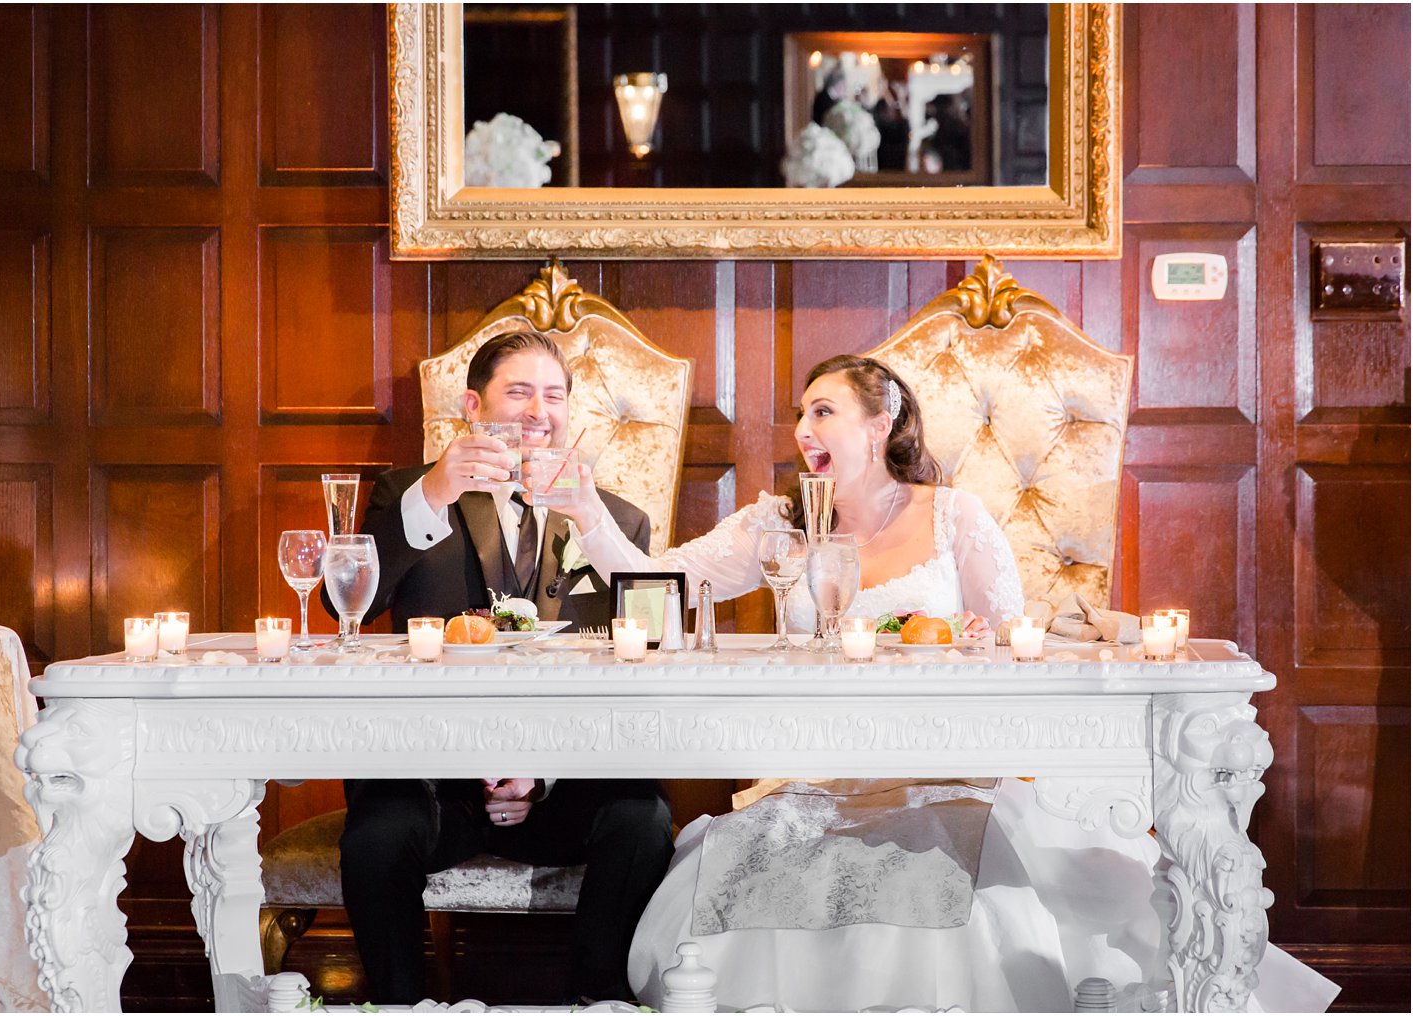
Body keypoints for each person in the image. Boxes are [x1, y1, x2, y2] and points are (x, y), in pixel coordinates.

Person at [551, 354, 1338, 1012]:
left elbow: (1009, 648)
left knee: (955, 884)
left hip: (946, 775)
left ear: (879, 424)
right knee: (755, 876)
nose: (801, 430)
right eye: (800, 414)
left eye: (823, 411)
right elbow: (659, 582)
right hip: (812, 775)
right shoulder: (777, 524)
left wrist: (974, 643)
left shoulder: (953, 517)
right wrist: (584, 508)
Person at [329, 330, 674, 1004]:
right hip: (436, 781)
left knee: (643, 818)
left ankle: (597, 999)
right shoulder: (407, 494)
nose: (538, 411)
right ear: (472, 406)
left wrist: (592, 522)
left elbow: (658, 639)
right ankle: (400, 1002)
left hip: (563, 782)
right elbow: (347, 602)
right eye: (519, 391)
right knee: (376, 833)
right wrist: (434, 489)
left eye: (554, 396)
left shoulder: (619, 518)